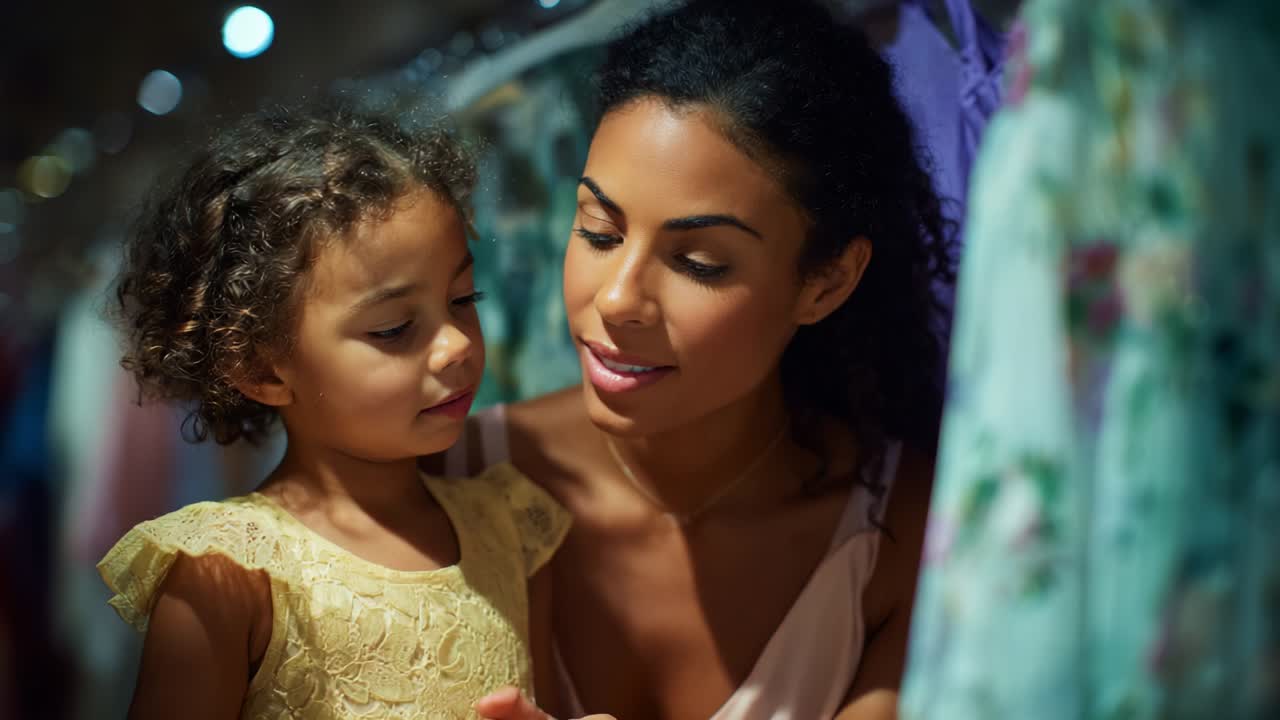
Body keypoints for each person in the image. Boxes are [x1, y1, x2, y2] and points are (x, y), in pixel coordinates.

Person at [458, 0, 954, 717]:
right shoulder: (445, 478)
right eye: (599, 231)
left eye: (698, 262)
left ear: (827, 282)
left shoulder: (899, 530)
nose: (619, 298)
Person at [96, 102, 570, 719]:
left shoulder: (510, 528)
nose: (455, 344)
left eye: (463, 298)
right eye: (396, 329)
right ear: (264, 370)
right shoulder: (229, 573)